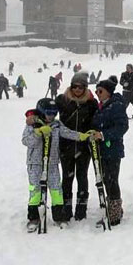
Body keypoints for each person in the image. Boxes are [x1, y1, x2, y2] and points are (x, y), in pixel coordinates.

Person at [22, 98, 91, 230]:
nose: (51, 116)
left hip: (52, 163)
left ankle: (59, 216)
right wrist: (38, 133)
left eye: (54, 113)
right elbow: (26, 141)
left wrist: (82, 136)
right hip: (35, 163)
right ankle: (34, 217)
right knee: (35, 190)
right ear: (42, 112)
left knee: (56, 190)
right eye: (49, 113)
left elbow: (68, 133)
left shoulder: (57, 125)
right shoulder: (32, 124)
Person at [54, 72, 98, 221]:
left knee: (82, 176)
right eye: (74, 86)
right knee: (67, 177)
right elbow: (45, 110)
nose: (77, 89)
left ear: (85, 88)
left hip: (83, 146)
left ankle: (81, 208)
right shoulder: (62, 100)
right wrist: (32, 116)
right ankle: (66, 208)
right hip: (66, 145)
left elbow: (97, 119)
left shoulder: (91, 103)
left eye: (80, 87)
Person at [92, 76, 130, 226]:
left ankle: (114, 212)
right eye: (96, 91)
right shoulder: (102, 105)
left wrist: (103, 135)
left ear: (108, 92)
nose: (97, 93)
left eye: (100, 91)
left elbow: (122, 127)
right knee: (106, 179)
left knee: (112, 180)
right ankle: (112, 207)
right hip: (101, 150)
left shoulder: (116, 105)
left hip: (112, 150)